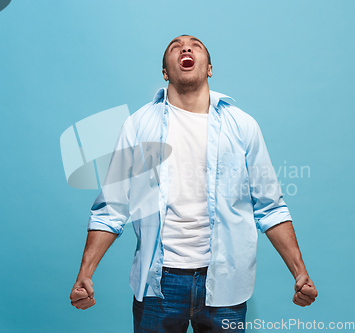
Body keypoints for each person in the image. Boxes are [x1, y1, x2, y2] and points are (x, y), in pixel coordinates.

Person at [70, 35, 318, 333]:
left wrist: (299, 272)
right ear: (165, 73)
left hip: (225, 284)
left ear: (209, 68)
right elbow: (112, 207)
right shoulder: (137, 125)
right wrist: (85, 273)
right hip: (157, 284)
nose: (185, 48)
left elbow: (270, 207)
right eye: (175, 47)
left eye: (195, 45)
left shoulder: (242, 126)